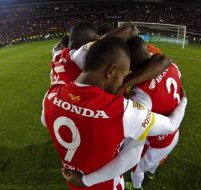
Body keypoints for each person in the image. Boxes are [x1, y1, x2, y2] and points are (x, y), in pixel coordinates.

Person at [42, 37, 187, 190]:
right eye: (123, 75)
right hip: (104, 185)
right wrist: (184, 101)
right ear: (111, 71)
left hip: (71, 180)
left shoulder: (52, 93)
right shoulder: (122, 110)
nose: (122, 82)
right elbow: (169, 126)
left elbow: (45, 120)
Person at [125, 36, 184, 189]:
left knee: (135, 166)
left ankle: (137, 187)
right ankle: (151, 172)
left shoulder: (141, 93)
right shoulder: (172, 65)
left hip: (157, 141)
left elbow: (138, 125)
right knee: (155, 161)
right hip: (174, 135)